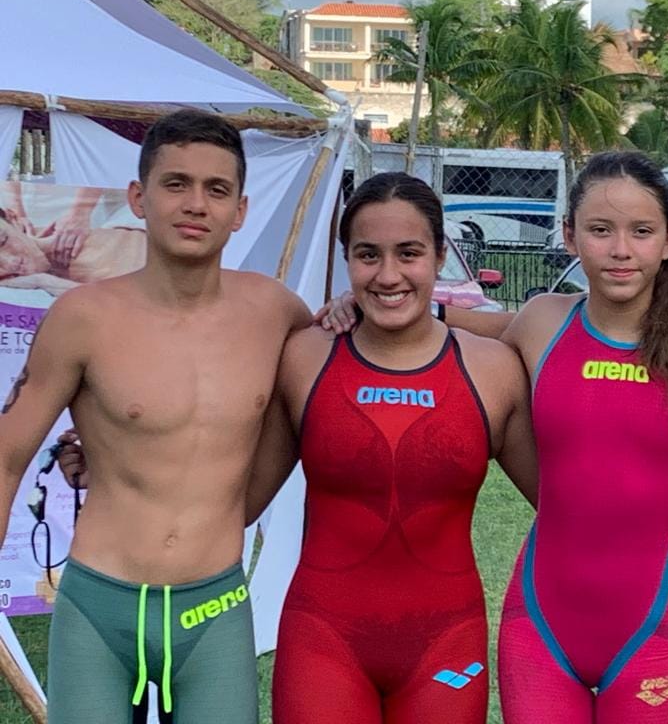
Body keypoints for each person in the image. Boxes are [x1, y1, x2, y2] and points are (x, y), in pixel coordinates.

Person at [320, 152, 668, 722]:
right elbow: (453, 327)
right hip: (541, 632)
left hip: (649, 632)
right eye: (600, 230)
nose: (621, 249)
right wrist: (365, 302)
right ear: (569, 236)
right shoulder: (543, 322)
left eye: (642, 232)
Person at [0, 108, 310, 723]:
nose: (195, 204)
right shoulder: (84, 318)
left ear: (240, 210)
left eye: (216, 189)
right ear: (138, 198)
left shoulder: (275, 311)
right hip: (100, 604)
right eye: (176, 184)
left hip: (213, 607)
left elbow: (334, 371)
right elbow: (7, 456)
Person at [246, 172, 539, 724]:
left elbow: (563, 503)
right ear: (346, 261)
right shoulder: (304, 358)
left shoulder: (494, 370)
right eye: (367, 255)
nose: (387, 275)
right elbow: (240, 501)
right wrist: (117, 455)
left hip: (445, 645)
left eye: (409, 253)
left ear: (438, 255)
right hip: (323, 642)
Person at [0, 207, 145, 295]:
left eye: (3, 242)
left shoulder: (97, 255)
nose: (11, 264)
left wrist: (46, 283)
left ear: (13, 220)